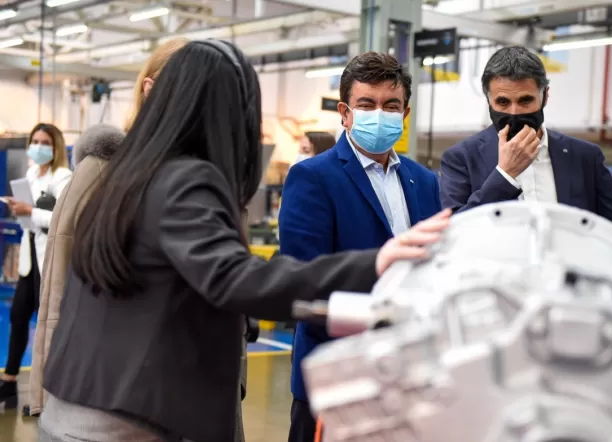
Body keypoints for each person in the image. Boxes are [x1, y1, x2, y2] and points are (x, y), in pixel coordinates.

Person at [37, 40, 451, 442]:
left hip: (77, 404)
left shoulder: (124, 174)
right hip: (128, 418)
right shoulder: (184, 181)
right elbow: (235, 278)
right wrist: (375, 262)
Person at [279, 51, 443, 442]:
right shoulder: (312, 177)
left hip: (405, 376)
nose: (379, 115)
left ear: (405, 114)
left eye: (391, 106)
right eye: (367, 105)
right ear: (345, 113)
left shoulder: (424, 181)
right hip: (337, 376)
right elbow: (304, 279)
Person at [28, 37, 188, 418]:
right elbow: (58, 290)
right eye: (187, 86)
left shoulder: (214, 180)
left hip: (193, 396)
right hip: (115, 401)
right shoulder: (100, 172)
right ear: (150, 88)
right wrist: (47, 394)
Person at [439, 46, 612, 241]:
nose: (514, 112)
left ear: (545, 96)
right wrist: (505, 175)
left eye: (525, 100)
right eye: (503, 102)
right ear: (488, 100)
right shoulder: (461, 158)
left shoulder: (584, 157)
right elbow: (454, 234)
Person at [0, 123, 71, 409]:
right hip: (30, 257)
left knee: (46, 326)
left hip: (50, 259)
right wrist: (20, 210)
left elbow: (65, 218)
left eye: (45, 142)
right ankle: (9, 382)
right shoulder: (31, 174)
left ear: (56, 147)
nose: (38, 147)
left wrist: (31, 211)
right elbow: (30, 220)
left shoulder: (63, 177)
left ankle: (45, 393)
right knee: (18, 316)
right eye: (35, 141)